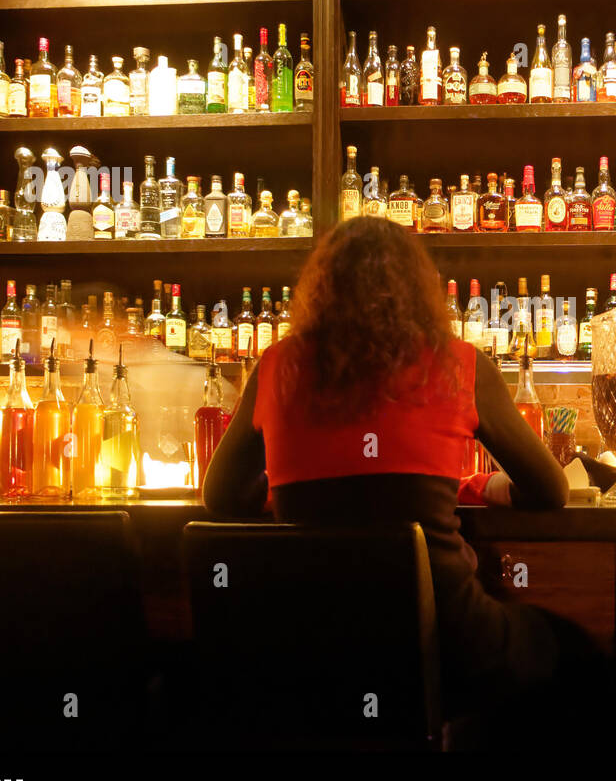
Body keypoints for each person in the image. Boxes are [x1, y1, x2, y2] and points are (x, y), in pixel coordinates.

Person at [203, 216, 582, 727]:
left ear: (320, 289)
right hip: (447, 644)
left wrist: (298, 486)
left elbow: (221, 497)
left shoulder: (275, 366)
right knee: (577, 653)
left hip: (308, 655)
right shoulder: (461, 365)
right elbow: (551, 490)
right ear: (416, 288)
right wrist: (481, 488)